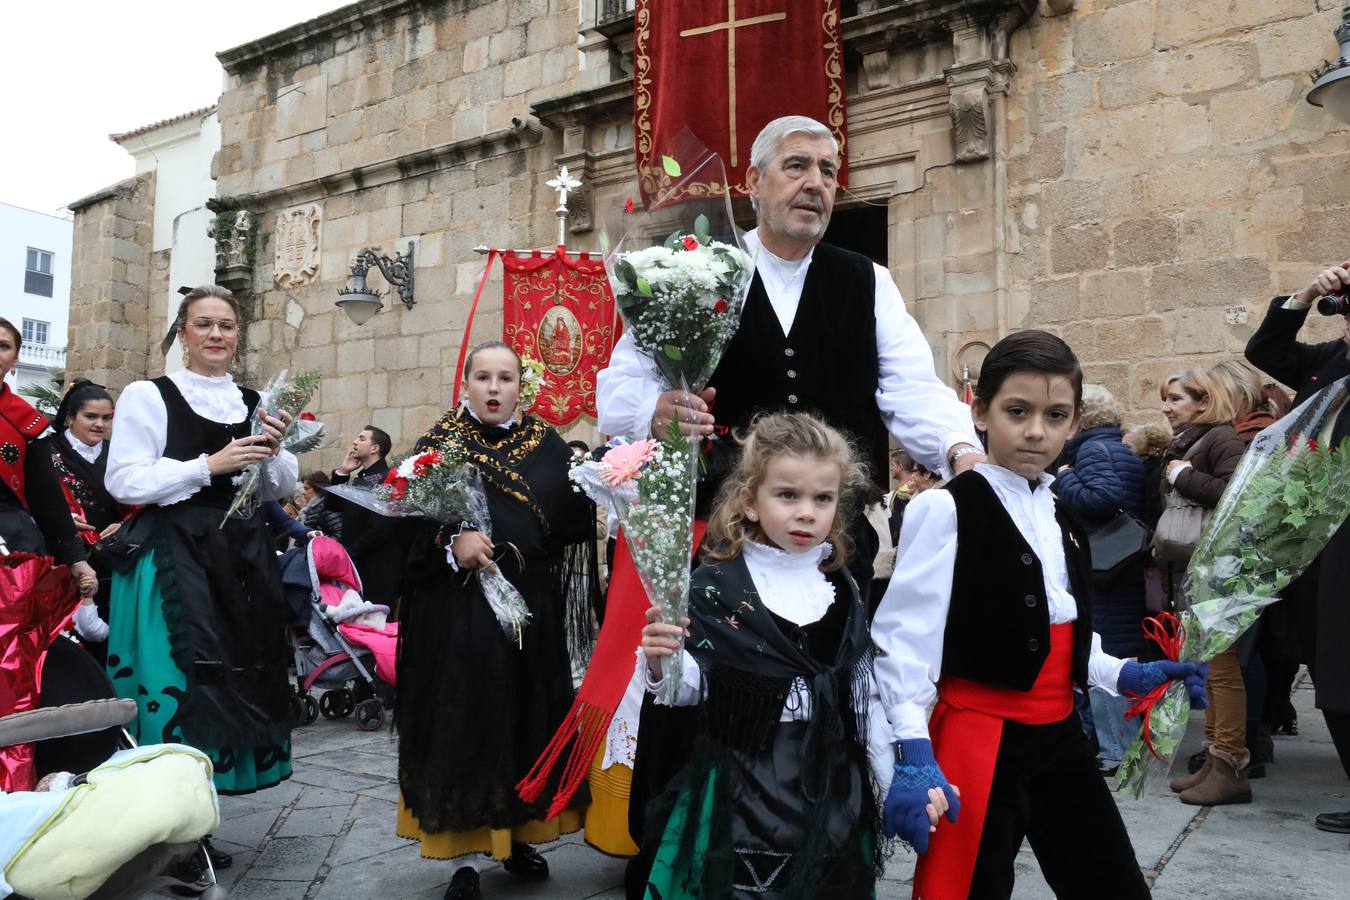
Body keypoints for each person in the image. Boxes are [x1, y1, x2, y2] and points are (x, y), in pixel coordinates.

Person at [574, 116, 984, 891]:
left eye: (830, 170)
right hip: (726, 538)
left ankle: (826, 835)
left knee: (836, 686)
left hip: (832, 538)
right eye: (797, 166)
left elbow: (908, 386)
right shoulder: (694, 268)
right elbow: (622, 383)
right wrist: (657, 409)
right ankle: (686, 845)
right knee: (713, 694)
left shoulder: (866, 279)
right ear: (755, 183)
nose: (817, 184)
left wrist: (962, 452)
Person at [872, 330, 1205, 900]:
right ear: (978, 412)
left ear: (1075, 424)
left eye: (1055, 415)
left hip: (1060, 736)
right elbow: (906, 638)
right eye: (1017, 411)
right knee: (970, 887)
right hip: (978, 737)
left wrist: (1123, 672)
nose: (1035, 431)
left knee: (1110, 880)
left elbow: (1063, 622)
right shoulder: (945, 508)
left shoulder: (1058, 510)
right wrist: (910, 746)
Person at [638, 413, 886, 899]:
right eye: (787, 495)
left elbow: (862, 692)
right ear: (750, 502)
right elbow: (691, 687)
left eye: (823, 499)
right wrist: (660, 658)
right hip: (745, 787)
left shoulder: (843, 587)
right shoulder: (715, 585)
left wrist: (892, 771)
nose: (807, 513)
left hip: (831, 782)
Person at [395, 341, 597, 900]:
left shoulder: (550, 446)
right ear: (465, 385)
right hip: (459, 610)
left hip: (530, 605)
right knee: (467, 719)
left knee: (526, 716)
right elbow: (405, 528)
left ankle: (518, 840)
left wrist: (606, 486)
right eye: (482, 377)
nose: (492, 388)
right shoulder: (437, 446)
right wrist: (449, 539)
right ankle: (461, 855)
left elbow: (572, 522)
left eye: (504, 378)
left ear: (519, 387)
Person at [104, 285, 298, 821]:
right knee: (178, 680)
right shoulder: (150, 394)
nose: (216, 334)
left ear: (238, 337)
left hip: (241, 558)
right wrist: (207, 466)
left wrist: (275, 452)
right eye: (203, 324)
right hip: (174, 556)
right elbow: (124, 480)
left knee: (240, 670)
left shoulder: (257, 403)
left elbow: (277, 487)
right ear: (183, 335)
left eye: (226, 326)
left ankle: (201, 815)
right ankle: (168, 819)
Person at [1244, 260, 1350, 836]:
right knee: (1330, 673)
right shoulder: (1327, 362)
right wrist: (1309, 292)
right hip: (1321, 540)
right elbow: (1266, 348)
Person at [1154, 368, 1249, 806]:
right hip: (1196, 568)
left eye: (1175, 398)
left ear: (1204, 401)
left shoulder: (1222, 438)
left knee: (1224, 669)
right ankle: (1215, 760)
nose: (1167, 407)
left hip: (1218, 569)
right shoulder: (1194, 441)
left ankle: (1230, 763)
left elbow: (1237, 495)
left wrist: (1183, 476)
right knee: (1211, 668)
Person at [1052, 384, 1148, 776]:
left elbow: (1102, 499)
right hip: (1120, 568)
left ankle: (1115, 750)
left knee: (1106, 654)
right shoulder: (1117, 448)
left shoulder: (1092, 451)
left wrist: (1062, 479)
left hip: (1105, 570)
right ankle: (1119, 744)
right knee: (1117, 653)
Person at [32, 379, 129, 664]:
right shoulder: (44, 451)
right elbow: (25, 498)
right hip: (57, 555)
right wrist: (57, 519)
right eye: (91, 416)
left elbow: (140, 504)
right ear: (71, 417)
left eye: (107, 418)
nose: (100, 424)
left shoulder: (120, 455)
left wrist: (126, 526)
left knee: (106, 636)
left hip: (109, 558)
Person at [0, 317, 96, 596]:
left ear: (15, 359)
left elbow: (46, 495)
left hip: (11, 541)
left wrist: (75, 558)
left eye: (3, 346)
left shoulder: (26, 420)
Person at [329, 425, 402, 611]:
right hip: (355, 566)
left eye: (361, 438)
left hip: (376, 570)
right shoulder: (361, 479)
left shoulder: (388, 479)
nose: (354, 442)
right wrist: (343, 473)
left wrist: (348, 554)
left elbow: (380, 529)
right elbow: (332, 508)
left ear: (374, 448)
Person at [297, 470, 342, 538]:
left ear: (318, 489)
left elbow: (339, 534)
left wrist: (321, 546)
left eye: (307, 489)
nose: (303, 492)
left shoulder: (327, 508)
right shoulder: (310, 509)